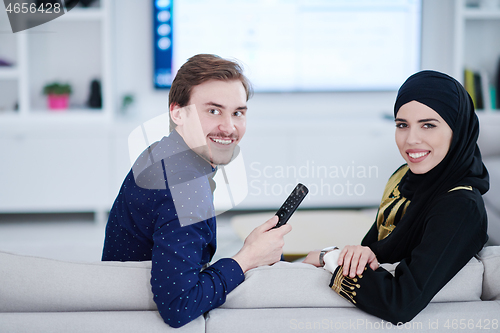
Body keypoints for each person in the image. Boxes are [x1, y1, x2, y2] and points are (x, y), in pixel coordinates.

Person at [102, 54, 291, 328]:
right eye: (213, 111)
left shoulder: (163, 150)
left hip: (116, 295)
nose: (229, 127)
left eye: (237, 112)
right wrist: (248, 257)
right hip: (134, 317)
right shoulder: (187, 187)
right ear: (178, 112)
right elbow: (179, 306)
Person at [303, 70, 489, 324]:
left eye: (428, 125)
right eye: (402, 125)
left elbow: (401, 303)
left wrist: (330, 257)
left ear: (457, 130)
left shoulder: (460, 207)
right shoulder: (404, 176)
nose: (411, 140)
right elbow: (368, 248)